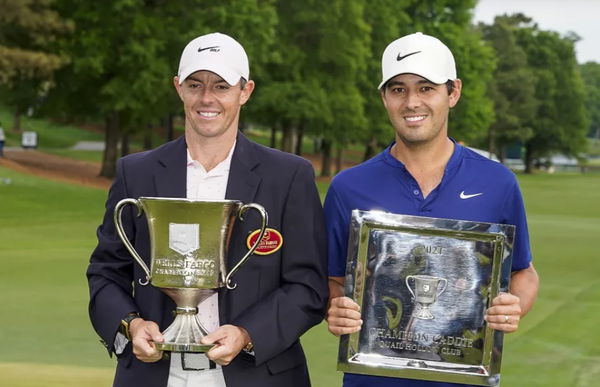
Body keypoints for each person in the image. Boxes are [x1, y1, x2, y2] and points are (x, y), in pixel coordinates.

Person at [87, 32, 328, 387]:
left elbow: (308, 286)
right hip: (156, 375)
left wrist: (248, 333)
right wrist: (132, 325)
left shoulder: (289, 176)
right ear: (178, 87)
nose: (206, 98)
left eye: (221, 86)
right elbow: (106, 272)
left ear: (245, 92)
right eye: (195, 84)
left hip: (257, 374)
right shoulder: (135, 172)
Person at [324, 32, 539, 387]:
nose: (412, 102)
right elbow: (331, 279)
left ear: (452, 92)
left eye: (426, 88)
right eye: (398, 89)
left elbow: (524, 272)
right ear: (384, 98)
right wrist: (336, 306)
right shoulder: (349, 187)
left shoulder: (498, 182)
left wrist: (514, 305)